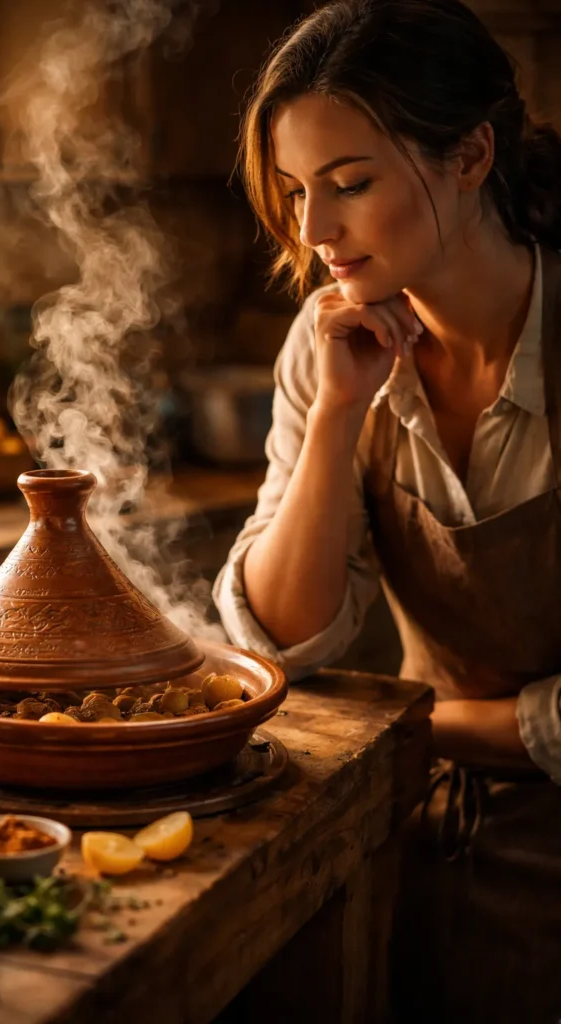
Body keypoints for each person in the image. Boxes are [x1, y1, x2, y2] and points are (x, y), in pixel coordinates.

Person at [213, 1, 561, 1020]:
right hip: (412, 831)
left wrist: (417, 725)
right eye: (292, 192)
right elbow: (286, 641)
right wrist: (334, 416)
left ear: (468, 156)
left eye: (349, 184)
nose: (314, 232)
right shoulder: (328, 345)